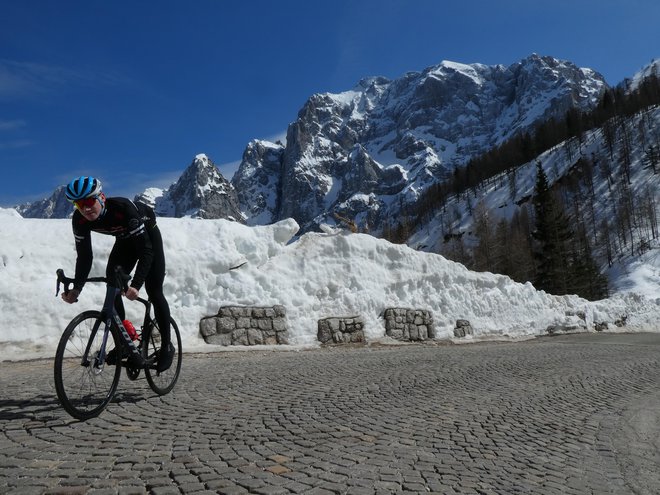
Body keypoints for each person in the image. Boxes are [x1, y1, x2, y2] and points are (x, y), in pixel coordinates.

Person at [61, 176, 174, 372]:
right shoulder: (79, 220)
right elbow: (85, 256)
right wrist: (77, 289)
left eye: (89, 201)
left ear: (101, 197)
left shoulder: (123, 209)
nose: (85, 208)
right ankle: (125, 341)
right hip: (124, 240)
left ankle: (166, 347)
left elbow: (146, 251)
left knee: (154, 291)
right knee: (112, 285)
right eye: (79, 204)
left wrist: (136, 285)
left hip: (148, 237)